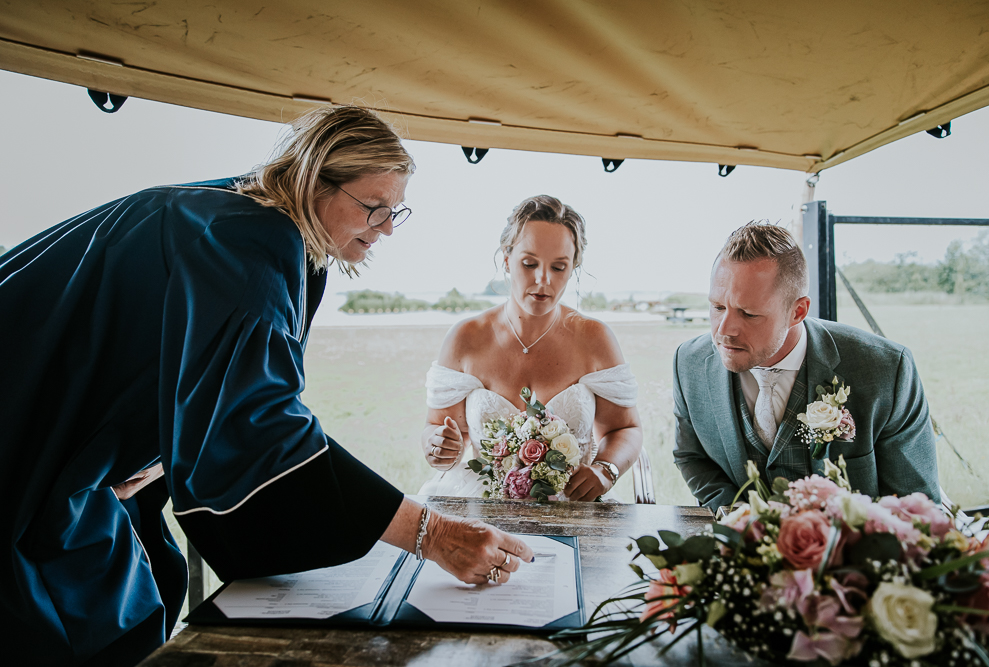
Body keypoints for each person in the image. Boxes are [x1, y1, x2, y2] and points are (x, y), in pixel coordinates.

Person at [0, 106, 532, 667]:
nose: (387, 229)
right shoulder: (249, 246)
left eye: (396, 210)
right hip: (22, 436)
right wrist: (430, 533)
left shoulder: (241, 215)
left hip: (68, 443)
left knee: (128, 596)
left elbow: (201, 379)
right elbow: (260, 427)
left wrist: (165, 448)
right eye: (374, 209)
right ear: (311, 180)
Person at [672, 222, 941, 512]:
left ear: (797, 311)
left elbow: (917, 506)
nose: (723, 331)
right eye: (717, 307)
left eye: (748, 313)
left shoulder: (887, 369)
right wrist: (737, 517)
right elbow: (692, 457)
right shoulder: (689, 363)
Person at [418, 196, 643, 501]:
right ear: (507, 258)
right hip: (482, 502)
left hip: (572, 506)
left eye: (559, 267)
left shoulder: (595, 339)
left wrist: (606, 470)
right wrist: (439, 448)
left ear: (574, 266)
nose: (543, 279)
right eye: (529, 263)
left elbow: (625, 428)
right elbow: (438, 429)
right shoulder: (466, 338)